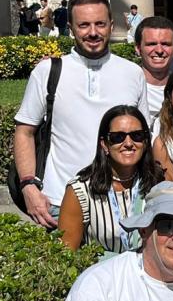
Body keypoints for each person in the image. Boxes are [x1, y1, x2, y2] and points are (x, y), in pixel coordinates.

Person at [15, 0, 148, 228]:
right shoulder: (47, 72)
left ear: (111, 25)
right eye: (84, 25)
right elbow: (25, 132)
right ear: (70, 27)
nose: (93, 32)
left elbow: (143, 138)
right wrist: (28, 187)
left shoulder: (133, 73)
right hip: (59, 202)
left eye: (100, 24)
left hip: (120, 203)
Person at [58, 105, 161, 254]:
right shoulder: (80, 191)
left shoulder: (157, 183)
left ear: (145, 142)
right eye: (117, 137)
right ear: (104, 144)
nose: (128, 143)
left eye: (137, 135)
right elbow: (67, 254)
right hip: (100, 274)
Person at [134, 15, 173, 117]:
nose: (159, 51)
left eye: (166, 44)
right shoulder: (127, 88)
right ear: (138, 48)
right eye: (151, 44)